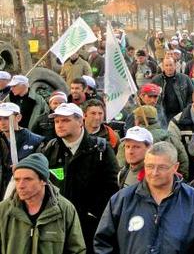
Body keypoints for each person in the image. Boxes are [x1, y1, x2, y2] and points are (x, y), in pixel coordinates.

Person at [94, 142, 194, 253]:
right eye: (150, 166)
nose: (154, 173)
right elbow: (103, 244)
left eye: (162, 167)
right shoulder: (121, 200)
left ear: (175, 167)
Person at [39, 103, 119, 253]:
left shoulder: (100, 149)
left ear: (80, 121)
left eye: (65, 120)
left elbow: (112, 187)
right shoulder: (49, 149)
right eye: (57, 121)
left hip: (90, 226)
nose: (60, 125)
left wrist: (96, 214)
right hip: (57, 223)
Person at [0, 153, 86, 254]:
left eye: (28, 179)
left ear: (43, 181)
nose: (20, 185)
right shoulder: (4, 210)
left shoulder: (64, 209)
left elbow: (77, 250)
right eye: (17, 180)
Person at [0, 102, 45, 193]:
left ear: (18, 117)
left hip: (23, 191)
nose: (2, 122)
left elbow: (41, 170)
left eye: (6, 118)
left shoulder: (35, 141)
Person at [152, 57, 194, 122]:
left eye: (171, 65)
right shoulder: (156, 80)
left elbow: (192, 94)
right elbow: (151, 96)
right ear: (163, 67)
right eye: (166, 65)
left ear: (175, 66)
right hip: (163, 115)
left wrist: (187, 109)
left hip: (181, 113)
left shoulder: (185, 78)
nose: (169, 68)